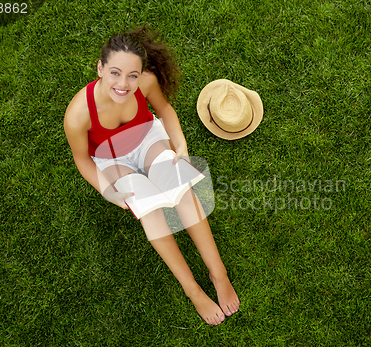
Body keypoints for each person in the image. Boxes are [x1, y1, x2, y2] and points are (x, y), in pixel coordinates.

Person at [63, 26, 239, 325]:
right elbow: (83, 160)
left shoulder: (146, 82)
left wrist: (180, 145)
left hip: (147, 140)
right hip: (110, 157)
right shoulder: (78, 114)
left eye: (132, 75)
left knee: (181, 190)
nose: (124, 84)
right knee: (151, 212)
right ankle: (192, 290)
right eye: (115, 73)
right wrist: (108, 191)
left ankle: (218, 273)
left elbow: (165, 109)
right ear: (100, 68)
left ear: (141, 72)